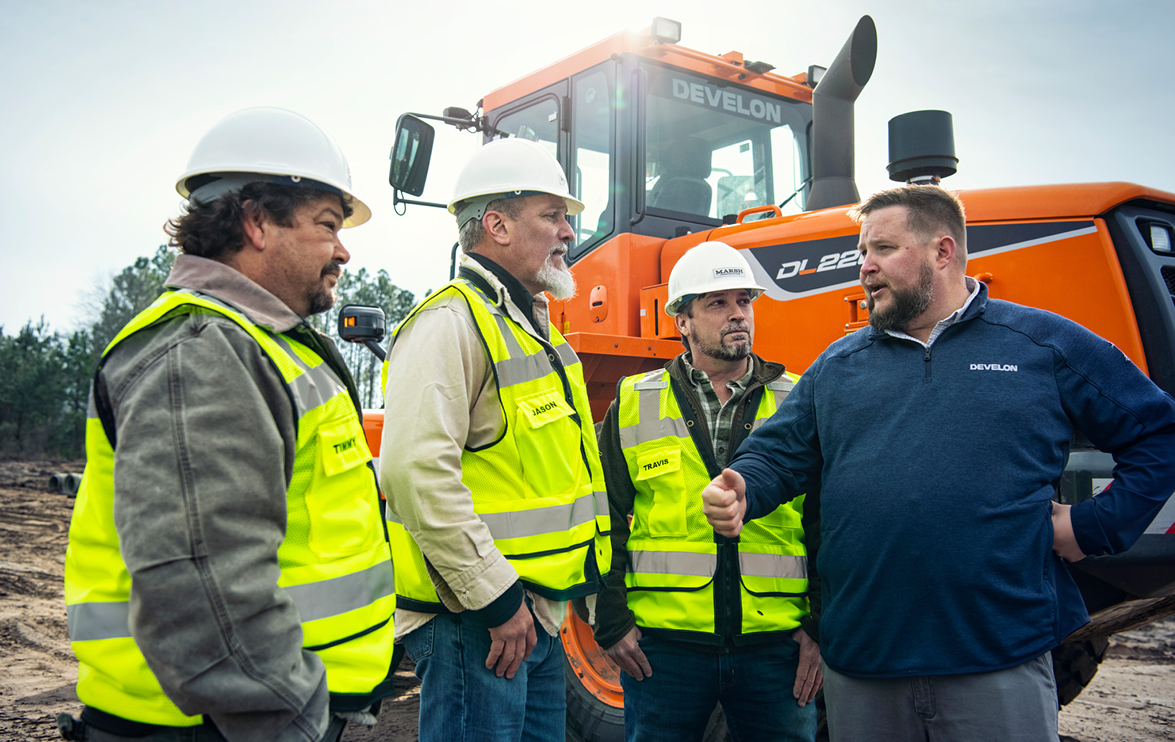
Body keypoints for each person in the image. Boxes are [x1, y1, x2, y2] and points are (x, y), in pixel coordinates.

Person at [702, 184, 1175, 742]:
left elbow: (1159, 433)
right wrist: (743, 489)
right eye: (861, 254)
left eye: (881, 249)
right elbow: (778, 455)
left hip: (997, 659)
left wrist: (1092, 525)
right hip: (863, 667)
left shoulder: (1040, 344)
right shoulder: (839, 363)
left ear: (942, 252)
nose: (864, 268)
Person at [60, 108, 397, 742]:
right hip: (226, 725)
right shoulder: (200, 351)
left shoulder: (264, 344)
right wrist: (289, 720)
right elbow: (204, 596)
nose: (344, 249)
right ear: (256, 222)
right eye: (328, 225)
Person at [380, 137, 612, 742]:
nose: (568, 232)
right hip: (477, 621)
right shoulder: (449, 323)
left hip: (534, 615)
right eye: (552, 215)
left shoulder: (535, 332)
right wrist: (495, 599)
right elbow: (413, 475)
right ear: (497, 225)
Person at [593, 241, 822, 742]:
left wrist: (820, 627)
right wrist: (610, 621)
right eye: (717, 303)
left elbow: (826, 521)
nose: (737, 314)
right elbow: (602, 513)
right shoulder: (633, 402)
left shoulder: (798, 399)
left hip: (776, 646)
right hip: (663, 652)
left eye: (744, 301)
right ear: (683, 320)